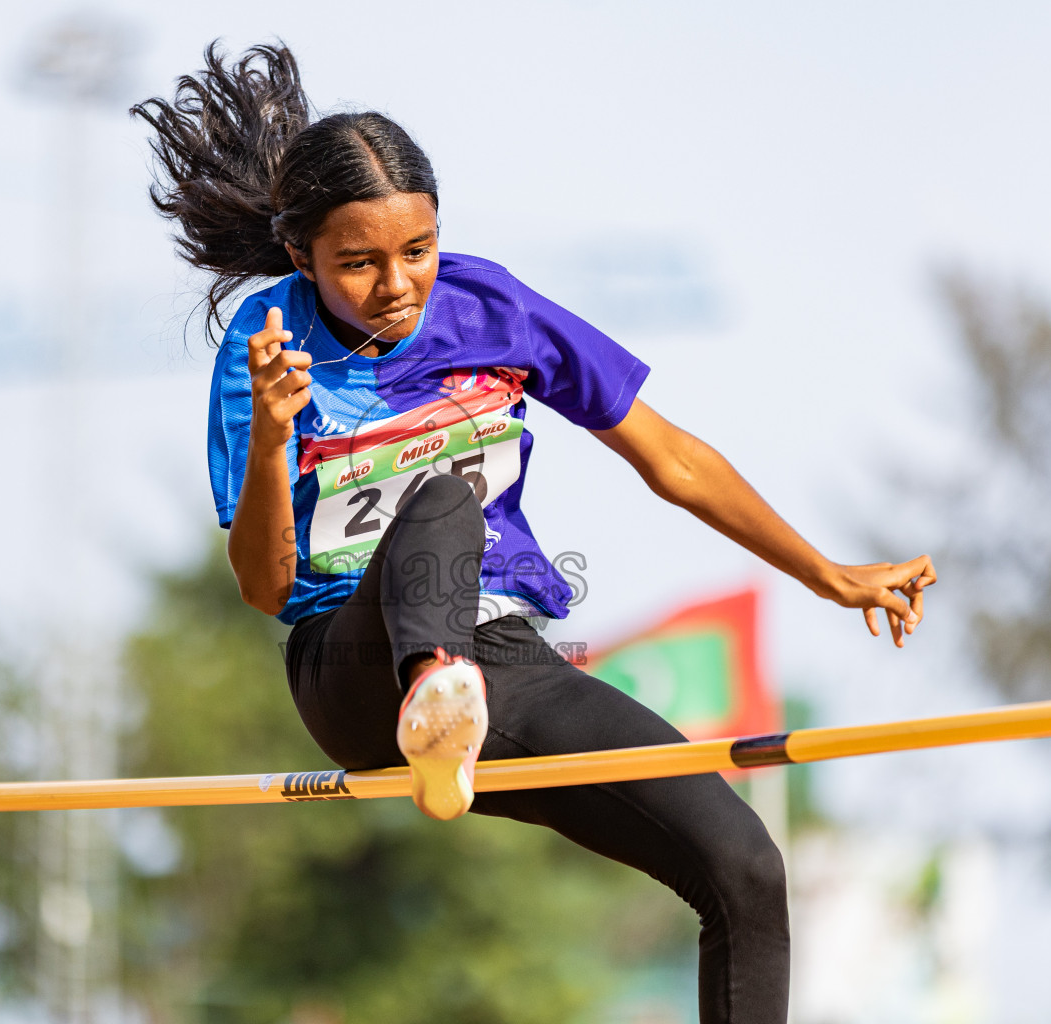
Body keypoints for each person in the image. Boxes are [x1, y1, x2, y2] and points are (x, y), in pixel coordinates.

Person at [133, 42, 936, 1024]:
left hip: (503, 656)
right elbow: (263, 585)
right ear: (303, 256)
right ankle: (435, 697)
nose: (396, 285)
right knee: (442, 502)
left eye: (416, 250)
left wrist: (824, 571)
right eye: (359, 263)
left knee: (746, 866)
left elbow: (670, 456)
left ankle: (454, 706)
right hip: (350, 662)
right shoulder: (268, 345)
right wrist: (268, 434)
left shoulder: (491, 306)